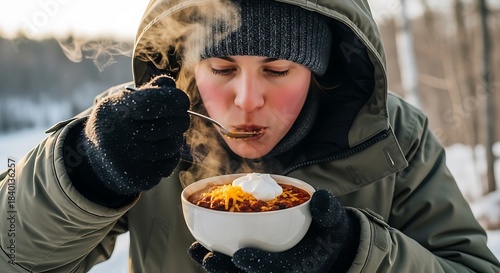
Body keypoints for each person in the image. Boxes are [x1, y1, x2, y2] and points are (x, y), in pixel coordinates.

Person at [1, 0, 499, 272]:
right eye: (220, 67)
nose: (246, 99)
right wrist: (87, 170)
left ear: (320, 72)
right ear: (192, 65)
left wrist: (355, 259)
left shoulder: (396, 136)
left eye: (278, 70)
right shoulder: (137, 128)